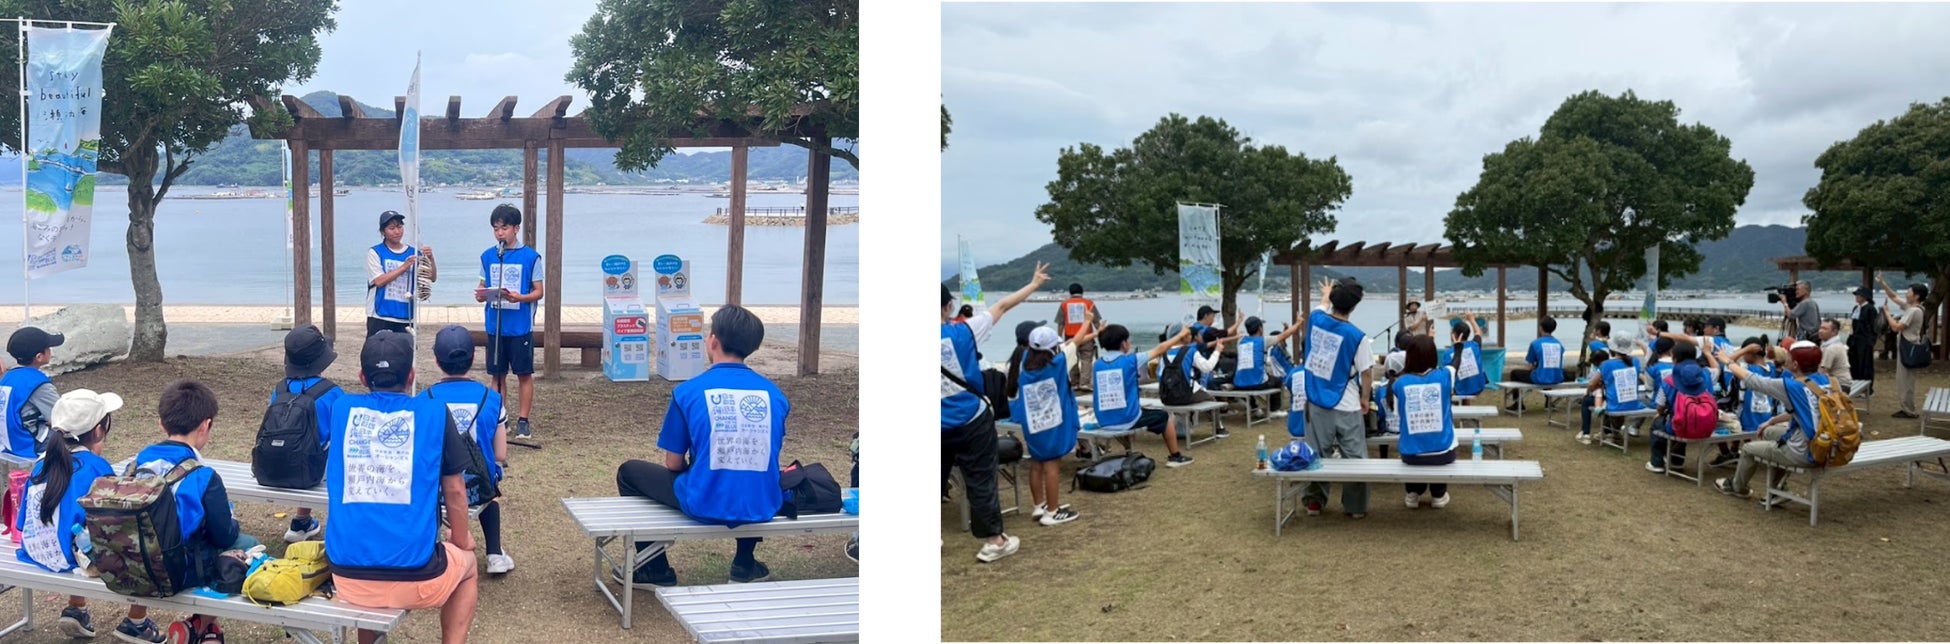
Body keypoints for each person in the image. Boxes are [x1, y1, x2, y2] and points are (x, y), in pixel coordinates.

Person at [615, 306, 790, 584]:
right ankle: (744, 564)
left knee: (629, 473)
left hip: (704, 500)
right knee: (749, 471)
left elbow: (673, 463)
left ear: (713, 340)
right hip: (762, 501)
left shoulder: (688, 392)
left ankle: (655, 568)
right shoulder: (775, 395)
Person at [325, 331, 478, 644]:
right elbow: (455, 491)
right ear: (411, 375)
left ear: (362, 377)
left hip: (347, 576)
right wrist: (462, 540)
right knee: (470, 567)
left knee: (371, 580)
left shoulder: (341, 409)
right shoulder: (434, 412)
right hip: (416, 574)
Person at [16, 389, 168, 643]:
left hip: (37, 550)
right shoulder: (96, 467)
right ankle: (137, 622)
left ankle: (76, 608)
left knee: (80, 533)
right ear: (98, 431)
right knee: (141, 543)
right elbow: (119, 523)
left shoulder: (41, 463)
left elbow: (23, 522)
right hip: (71, 557)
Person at [134, 380, 256, 642]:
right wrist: (233, 521)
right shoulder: (204, 476)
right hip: (180, 570)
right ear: (205, 425)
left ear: (161, 424)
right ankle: (202, 624)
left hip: (136, 561)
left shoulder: (139, 462)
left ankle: (206, 627)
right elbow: (223, 536)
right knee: (248, 544)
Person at [941, 263, 1047, 563]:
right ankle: (994, 541)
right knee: (981, 479)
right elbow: (1002, 306)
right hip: (971, 420)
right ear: (949, 307)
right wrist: (1033, 284)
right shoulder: (964, 331)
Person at [420, 325, 512, 575]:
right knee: (490, 492)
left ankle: (431, 548)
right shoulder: (491, 398)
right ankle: (495, 553)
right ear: (473, 358)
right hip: (478, 488)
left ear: (436, 360)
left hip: (436, 488)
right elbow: (500, 454)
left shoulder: (424, 398)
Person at [1713, 341, 1831, 499]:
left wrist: (1727, 361)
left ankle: (1737, 487)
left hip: (1807, 451)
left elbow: (1755, 381)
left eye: (1789, 357)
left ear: (1795, 364)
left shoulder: (1792, 386)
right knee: (1768, 432)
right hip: (1827, 444)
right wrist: (1772, 421)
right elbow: (1807, 411)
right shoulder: (1828, 381)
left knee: (1748, 449)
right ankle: (1778, 487)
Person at [1299, 278, 1372, 519]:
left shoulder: (1316, 319)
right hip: (1347, 402)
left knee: (1316, 453)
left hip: (1316, 399)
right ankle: (1355, 506)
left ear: (1332, 299)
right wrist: (1365, 397)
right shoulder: (1357, 337)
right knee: (1355, 456)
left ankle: (1314, 502)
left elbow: (1321, 305)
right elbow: (1366, 372)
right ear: (1355, 305)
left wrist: (1326, 293)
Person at [270, 324, 343, 544]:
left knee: (309, 447)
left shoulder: (279, 389)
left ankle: (301, 522)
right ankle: (324, 523)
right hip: (311, 472)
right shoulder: (332, 393)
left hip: (274, 465)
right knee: (330, 451)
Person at [476, 204, 544, 439]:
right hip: (495, 325)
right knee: (497, 375)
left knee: (523, 373)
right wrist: (481, 294)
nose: (499, 233)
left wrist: (520, 297)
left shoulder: (531, 257)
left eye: (504, 228)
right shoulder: (488, 256)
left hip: (519, 327)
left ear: (516, 228)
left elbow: (539, 291)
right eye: (496, 229)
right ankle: (499, 418)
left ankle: (523, 420)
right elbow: (482, 285)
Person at [1093, 324, 1196, 467]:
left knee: (1141, 411)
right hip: (1128, 419)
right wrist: (1180, 335)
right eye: (1128, 340)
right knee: (1164, 416)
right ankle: (1175, 456)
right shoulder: (1131, 360)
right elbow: (1161, 348)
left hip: (1104, 420)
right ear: (1123, 343)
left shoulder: (1097, 364)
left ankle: (1129, 450)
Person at [1012, 327, 1084, 525]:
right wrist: (1087, 321)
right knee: (1052, 466)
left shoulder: (1024, 364)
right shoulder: (1058, 363)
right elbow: (1076, 341)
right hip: (1052, 423)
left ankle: (1039, 505)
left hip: (1033, 423)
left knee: (1037, 463)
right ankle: (1052, 512)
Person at [1387, 335, 1456, 508]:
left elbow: (1397, 413)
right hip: (1442, 452)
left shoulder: (1400, 384)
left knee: (1415, 448)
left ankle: (1412, 493)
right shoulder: (1444, 376)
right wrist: (1459, 347)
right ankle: (1438, 495)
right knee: (1440, 450)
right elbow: (1455, 364)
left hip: (1411, 454)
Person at [366, 210, 435, 337]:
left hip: (406, 316)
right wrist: (404, 267)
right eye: (392, 228)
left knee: (405, 348)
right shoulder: (375, 252)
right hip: (380, 315)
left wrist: (430, 258)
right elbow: (379, 281)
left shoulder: (413, 252)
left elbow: (431, 277)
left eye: (399, 227)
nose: (397, 232)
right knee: (377, 348)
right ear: (383, 232)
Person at [1646, 342, 1713, 473]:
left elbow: (1660, 406)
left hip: (1682, 426)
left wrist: (1661, 413)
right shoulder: (1706, 375)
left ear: (1674, 359)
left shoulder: (1669, 380)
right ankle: (1677, 461)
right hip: (1705, 425)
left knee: (1660, 424)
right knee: (1685, 420)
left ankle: (1657, 462)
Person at [2, 326, 62, 459]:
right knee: (78, 435)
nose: (50, 351)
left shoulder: (8, 377)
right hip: (27, 443)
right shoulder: (38, 383)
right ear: (39, 357)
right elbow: (61, 417)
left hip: (8, 441)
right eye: (48, 348)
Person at [1577, 341, 1647, 445]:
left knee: (1587, 401)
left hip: (1615, 403)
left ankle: (1586, 433)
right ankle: (1608, 432)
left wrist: (1587, 392)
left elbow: (1592, 384)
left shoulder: (1607, 364)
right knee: (1608, 399)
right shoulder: (1635, 361)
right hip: (1632, 402)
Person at [1878, 274, 1927, 419]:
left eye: (1909, 292)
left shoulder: (1913, 310)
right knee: (1904, 379)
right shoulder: (1914, 307)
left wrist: (1887, 313)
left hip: (1908, 348)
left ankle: (1909, 410)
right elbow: (1893, 296)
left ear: (1916, 296)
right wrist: (1882, 283)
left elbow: (1896, 327)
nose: (1906, 294)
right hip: (1908, 347)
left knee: (1906, 380)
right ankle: (1906, 408)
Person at [1230, 317, 1284, 419]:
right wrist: (1298, 323)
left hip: (1239, 383)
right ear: (1260, 328)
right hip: (1258, 383)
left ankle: (1254, 408)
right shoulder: (1263, 340)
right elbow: (1283, 336)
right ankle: (1273, 410)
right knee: (1277, 381)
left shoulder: (1240, 341)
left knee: (1248, 380)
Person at [1056, 283, 1102, 391]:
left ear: (1070, 292)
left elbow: (1061, 323)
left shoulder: (1064, 304)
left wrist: (1059, 338)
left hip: (1070, 337)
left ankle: (1074, 383)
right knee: (1086, 359)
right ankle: (1084, 383)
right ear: (1082, 292)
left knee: (1072, 358)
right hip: (1087, 336)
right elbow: (1096, 322)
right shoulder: (1089, 303)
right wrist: (1100, 334)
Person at [1438, 317, 1488, 402]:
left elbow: (1447, 375)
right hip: (1478, 387)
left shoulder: (1448, 353)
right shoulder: (1475, 345)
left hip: (1460, 390)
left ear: (1454, 335)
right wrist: (1471, 318)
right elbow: (1478, 332)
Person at [1847, 287, 1880, 384]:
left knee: (1865, 365)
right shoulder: (1856, 308)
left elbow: (1874, 326)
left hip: (1865, 340)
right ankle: (1855, 383)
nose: (1857, 297)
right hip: (1854, 340)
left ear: (1865, 297)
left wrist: (1870, 340)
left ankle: (1866, 385)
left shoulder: (1870, 309)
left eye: (1859, 295)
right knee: (1854, 363)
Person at [1816, 318, 1854, 394]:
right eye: (1820, 328)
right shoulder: (1833, 344)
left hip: (1840, 385)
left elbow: (1822, 372)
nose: (1820, 331)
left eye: (1825, 329)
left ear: (1834, 332)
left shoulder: (1831, 348)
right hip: (1841, 382)